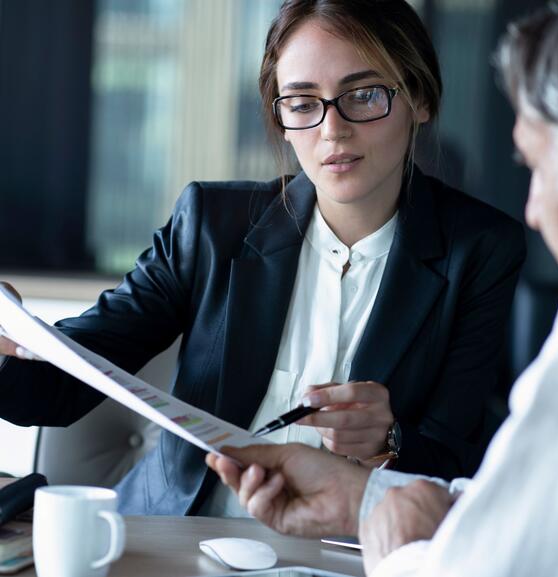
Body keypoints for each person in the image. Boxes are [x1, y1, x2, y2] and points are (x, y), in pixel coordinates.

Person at [207, 0, 558, 574]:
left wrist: (398, 550)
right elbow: (554, 511)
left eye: (538, 170)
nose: (534, 210)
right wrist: (364, 501)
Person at [0, 0, 525, 516]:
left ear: (420, 98)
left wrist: (389, 441)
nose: (331, 130)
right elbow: (61, 386)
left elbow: (461, 464)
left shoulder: (480, 250)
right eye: (301, 102)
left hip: (349, 555)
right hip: (180, 542)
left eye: (363, 95)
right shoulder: (210, 224)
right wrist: (7, 349)